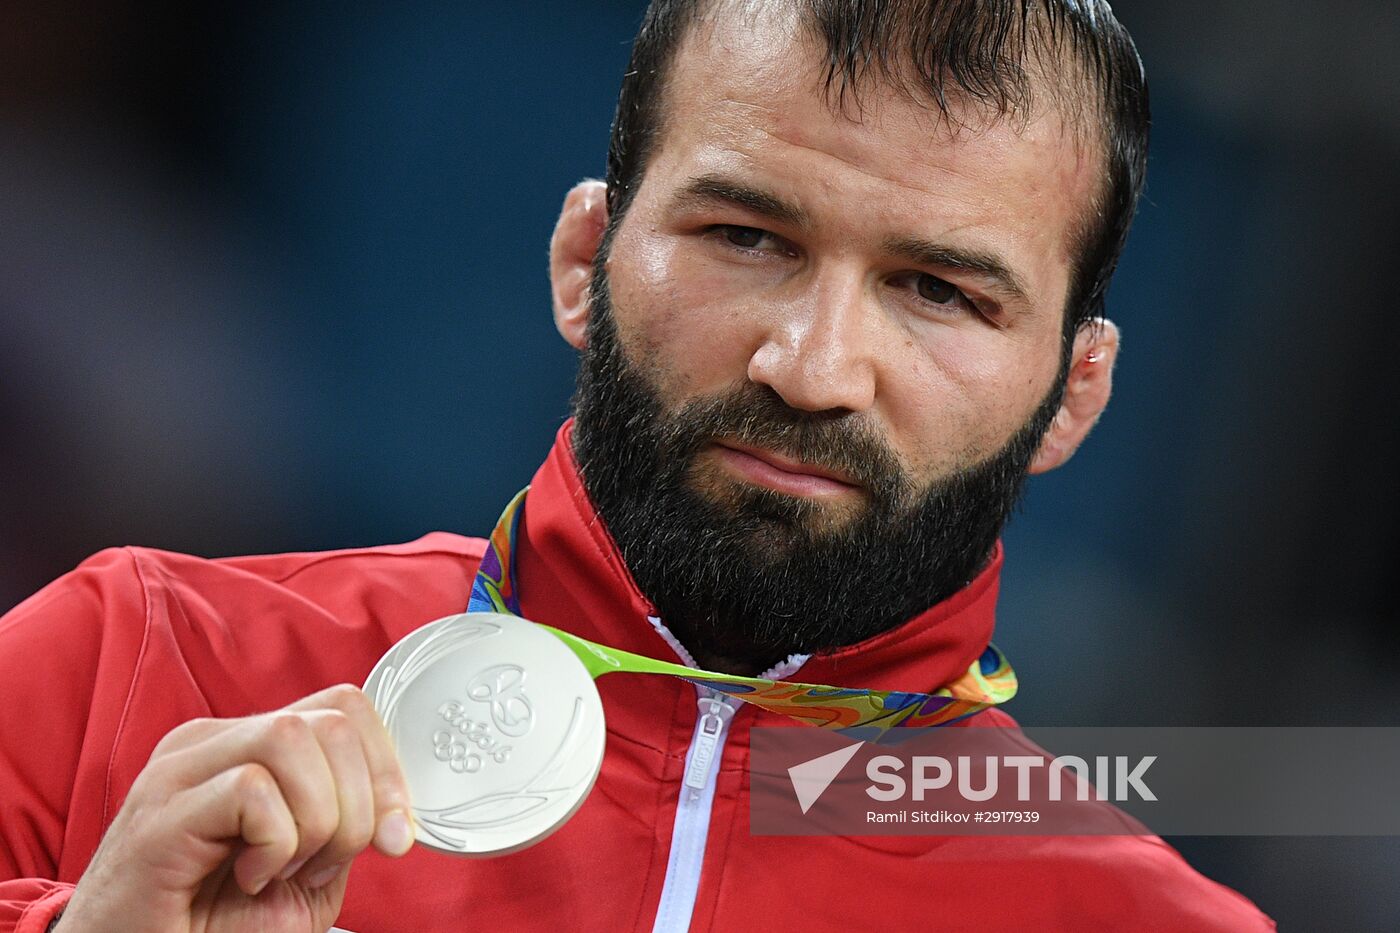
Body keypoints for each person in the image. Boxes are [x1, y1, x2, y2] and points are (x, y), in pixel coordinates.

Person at [0, 1, 1274, 930]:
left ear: (1073, 392)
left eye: (936, 291)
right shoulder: (125, 666)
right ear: (582, 259)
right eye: (745, 236)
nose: (811, 365)